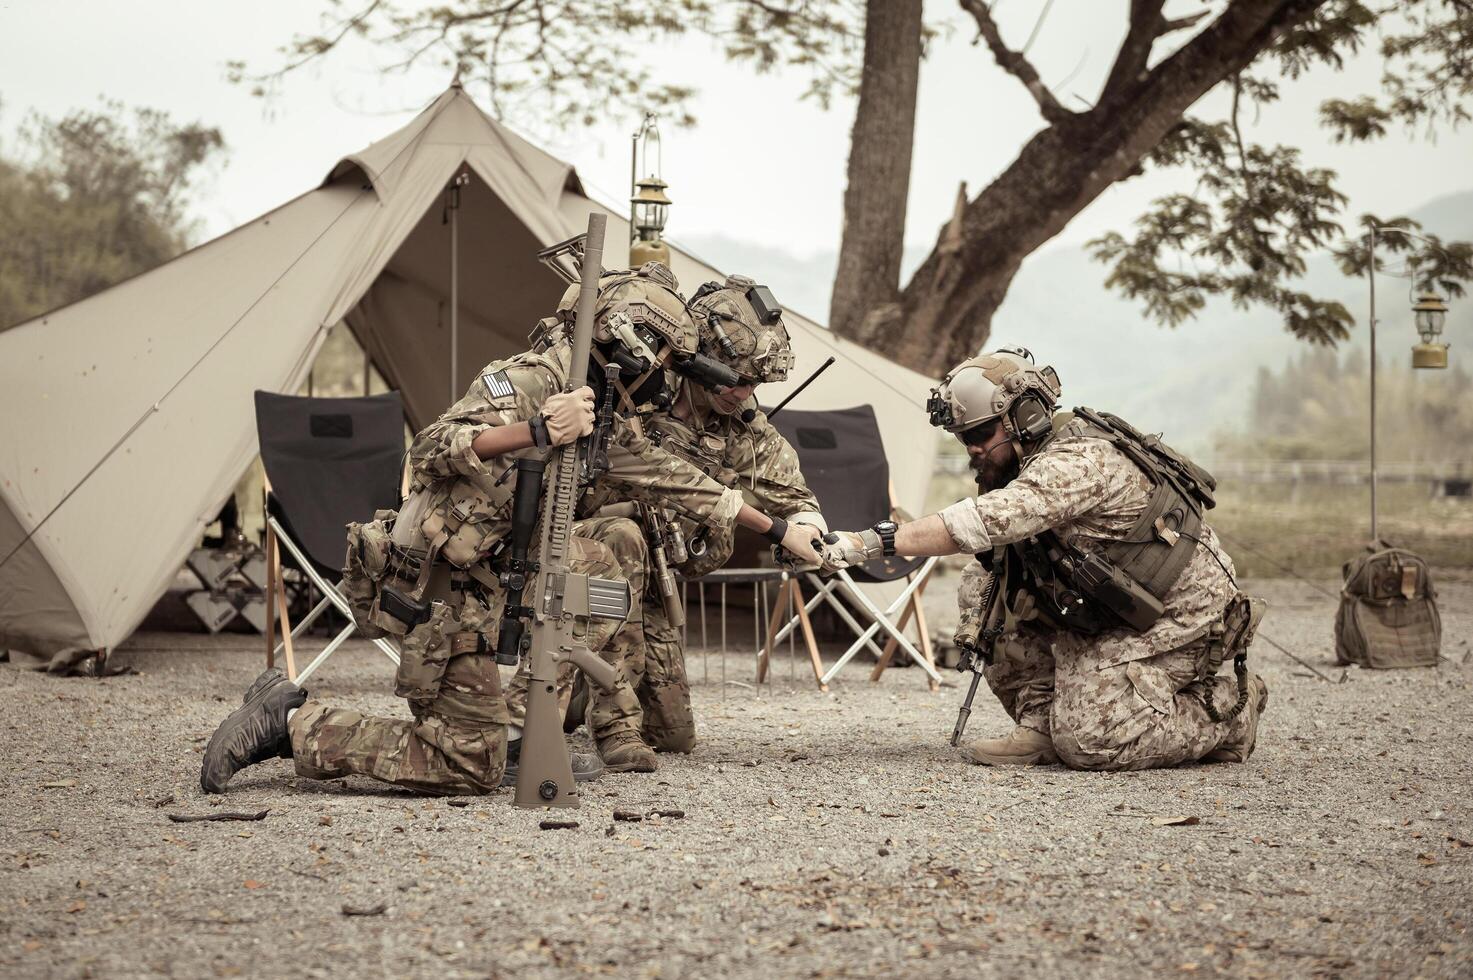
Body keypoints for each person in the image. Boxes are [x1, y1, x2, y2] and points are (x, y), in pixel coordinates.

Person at [199, 262, 822, 795]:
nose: (664, 376)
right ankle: (289, 723)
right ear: (629, 346)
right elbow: (432, 447)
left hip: (506, 571)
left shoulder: (608, 407)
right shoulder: (531, 379)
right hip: (445, 582)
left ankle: (531, 725)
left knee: (603, 567)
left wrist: (776, 530)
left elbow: (676, 477)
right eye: (659, 360)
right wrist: (539, 432)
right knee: (466, 765)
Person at [819, 348, 1268, 772]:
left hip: (1182, 614)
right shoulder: (1027, 461)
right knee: (986, 580)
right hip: (1118, 602)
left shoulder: (1076, 461)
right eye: (962, 437)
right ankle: (1040, 723)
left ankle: (1228, 712)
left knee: (1092, 740)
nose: (970, 448)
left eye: (978, 434)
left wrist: (866, 544)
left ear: (1024, 418)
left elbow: (982, 521)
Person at [573, 274, 824, 759]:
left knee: (673, 738)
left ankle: (577, 689)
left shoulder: (740, 422)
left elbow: (794, 495)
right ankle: (611, 723)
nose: (745, 393)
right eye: (738, 379)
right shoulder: (635, 391)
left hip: (655, 586)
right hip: (590, 563)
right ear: (702, 362)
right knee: (624, 535)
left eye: (755, 382)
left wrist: (809, 529)